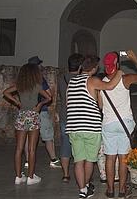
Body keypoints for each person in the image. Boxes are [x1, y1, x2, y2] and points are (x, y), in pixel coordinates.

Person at [66, 55, 123, 199]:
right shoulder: (92, 80)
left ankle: (83, 189)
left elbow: (68, 102)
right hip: (91, 127)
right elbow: (110, 86)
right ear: (94, 68)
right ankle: (85, 186)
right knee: (90, 160)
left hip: (74, 127)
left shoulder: (72, 82)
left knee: (79, 160)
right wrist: (120, 73)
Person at [101, 50, 137, 198]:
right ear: (117, 64)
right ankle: (122, 189)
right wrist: (135, 59)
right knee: (123, 158)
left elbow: (99, 105)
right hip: (125, 124)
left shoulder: (101, 82)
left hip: (108, 123)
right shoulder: (125, 79)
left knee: (110, 158)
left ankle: (110, 190)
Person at [3, 63, 52, 185]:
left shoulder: (19, 86)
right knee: (31, 149)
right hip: (33, 116)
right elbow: (49, 97)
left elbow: (5, 92)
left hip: (22, 115)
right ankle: (30, 176)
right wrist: (40, 105)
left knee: (19, 148)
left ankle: (18, 176)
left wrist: (17, 102)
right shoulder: (37, 86)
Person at [28, 56, 60, 168]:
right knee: (48, 136)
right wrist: (42, 103)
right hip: (41, 111)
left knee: (28, 136)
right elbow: (48, 95)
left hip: (26, 111)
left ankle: (28, 161)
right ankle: (53, 159)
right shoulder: (40, 79)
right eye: (39, 65)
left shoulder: (24, 80)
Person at [57, 53, 83, 183]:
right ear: (80, 66)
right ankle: (82, 173)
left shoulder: (61, 78)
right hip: (77, 115)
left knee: (65, 145)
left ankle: (66, 174)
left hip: (64, 115)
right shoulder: (81, 79)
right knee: (79, 145)